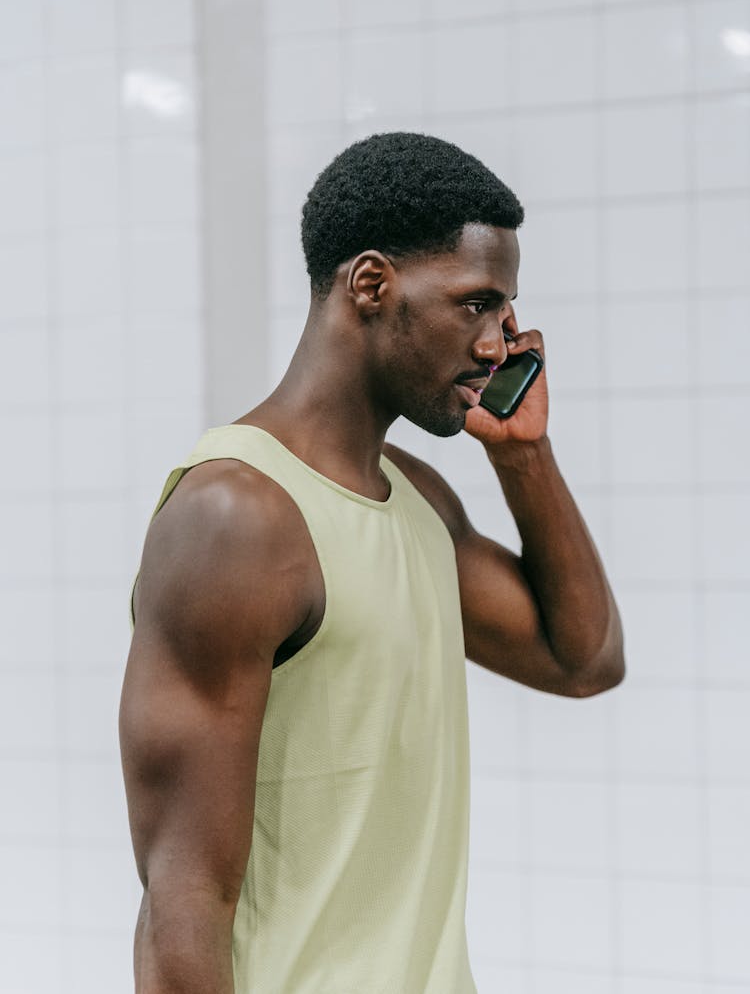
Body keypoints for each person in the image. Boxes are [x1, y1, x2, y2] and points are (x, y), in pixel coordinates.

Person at [119, 131, 624, 994]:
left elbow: (583, 660)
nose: (503, 341)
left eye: (508, 311)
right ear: (370, 285)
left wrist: (522, 456)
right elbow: (183, 903)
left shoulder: (415, 493)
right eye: (477, 304)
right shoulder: (235, 517)